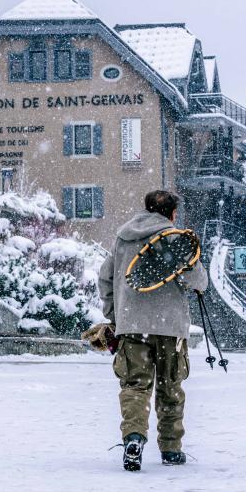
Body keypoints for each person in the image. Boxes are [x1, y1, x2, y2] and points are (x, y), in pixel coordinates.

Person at [98, 190, 208, 471]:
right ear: (172, 213)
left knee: (135, 385)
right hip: (170, 326)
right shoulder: (176, 238)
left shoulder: (123, 238)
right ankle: (171, 449)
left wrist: (115, 315)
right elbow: (199, 281)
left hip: (132, 325)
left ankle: (134, 437)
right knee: (171, 387)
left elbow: (106, 278)